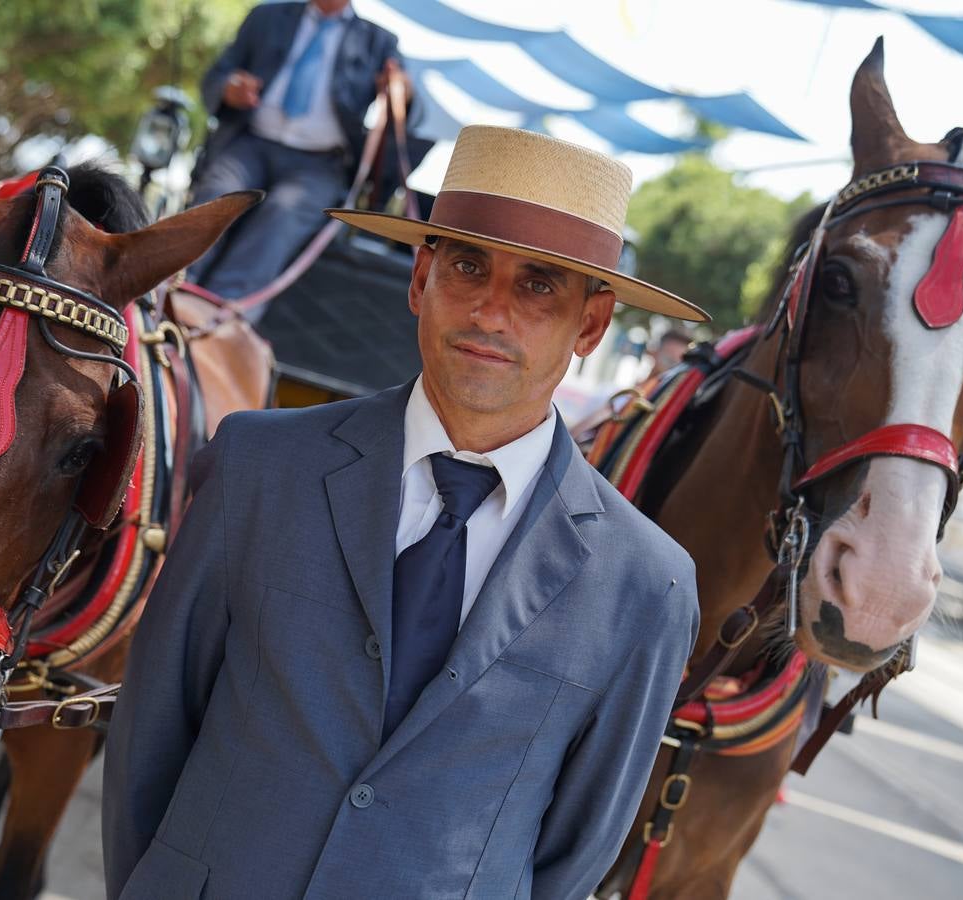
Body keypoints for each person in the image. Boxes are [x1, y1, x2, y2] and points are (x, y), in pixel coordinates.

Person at [104, 125, 707, 900]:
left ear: (590, 324)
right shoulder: (258, 466)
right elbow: (149, 736)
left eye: (539, 285)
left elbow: (573, 856)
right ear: (420, 278)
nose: (491, 312)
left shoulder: (645, 587)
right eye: (467, 266)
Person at [186, 0, 414, 307]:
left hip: (319, 164)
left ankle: (217, 313)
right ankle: (172, 284)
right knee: (218, 192)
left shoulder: (378, 41)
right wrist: (230, 88)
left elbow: (409, 109)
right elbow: (217, 75)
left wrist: (402, 91)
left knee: (284, 213)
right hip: (250, 144)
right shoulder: (266, 16)